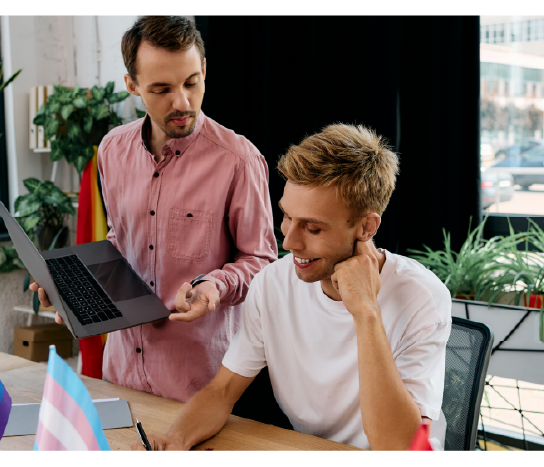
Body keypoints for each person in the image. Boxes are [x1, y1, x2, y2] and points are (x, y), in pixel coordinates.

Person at [132, 124, 452, 451]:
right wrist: (175, 441)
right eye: (287, 217)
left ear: (366, 226)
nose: (289, 241)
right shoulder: (273, 283)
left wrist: (366, 312)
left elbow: (399, 450)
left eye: (313, 228)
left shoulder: (422, 298)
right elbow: (223, 392)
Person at [30, 15, 277, 402]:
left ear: (205, 70)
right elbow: (120, 240)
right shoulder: (112, 149)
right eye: (161, 89)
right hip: (120, 374)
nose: (182, 102)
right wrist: (70, 288)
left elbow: (261, 260)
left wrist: (215, 285)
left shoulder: (239, 160)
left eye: (192, 83)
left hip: (202, 388)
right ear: (132, 86)